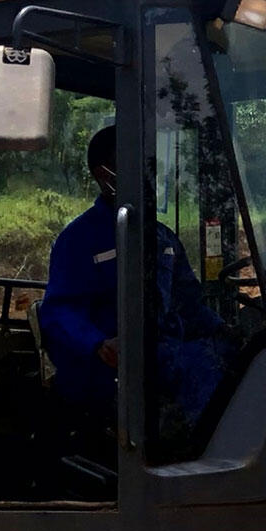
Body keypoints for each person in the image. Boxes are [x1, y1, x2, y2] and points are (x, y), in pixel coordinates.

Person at [35, 126, 233, 442]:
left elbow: (190, 304)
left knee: (231, 363)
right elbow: (59, 312)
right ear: (105, 175)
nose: (150, 175)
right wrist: (99, 344)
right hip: (114, 368)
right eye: (139, 165)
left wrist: (226, 332)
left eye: (152, 165)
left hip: (169, 357)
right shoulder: (79, 240)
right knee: (198, 383)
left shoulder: (163, 238)